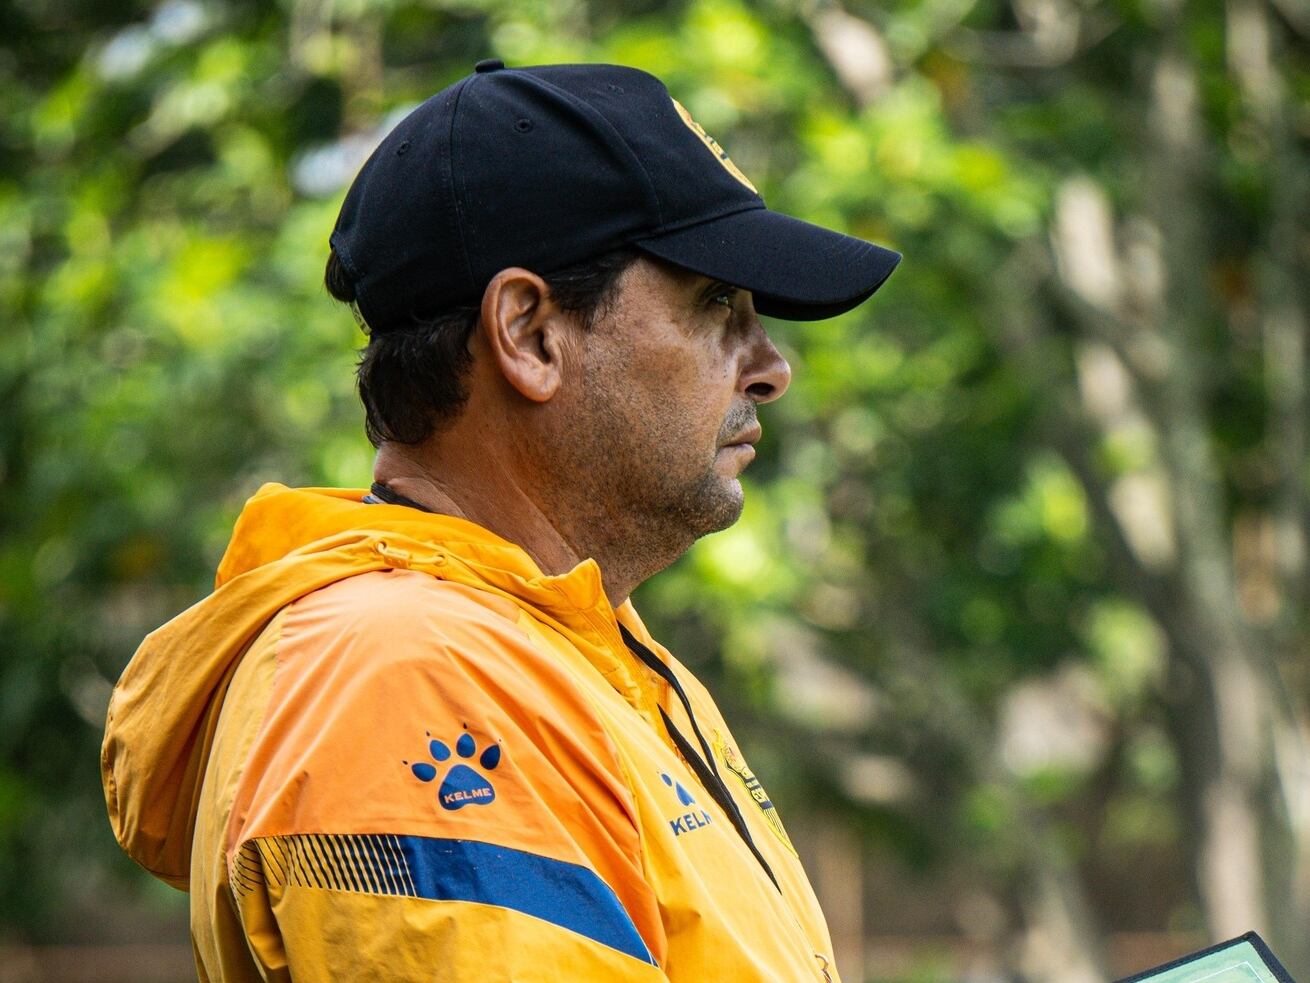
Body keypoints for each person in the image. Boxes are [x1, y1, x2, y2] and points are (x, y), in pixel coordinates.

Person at [101, 60, 899, 982]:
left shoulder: (563, 649)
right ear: (528, 333)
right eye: (715, 301)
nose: (770, 367)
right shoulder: (402, 672)